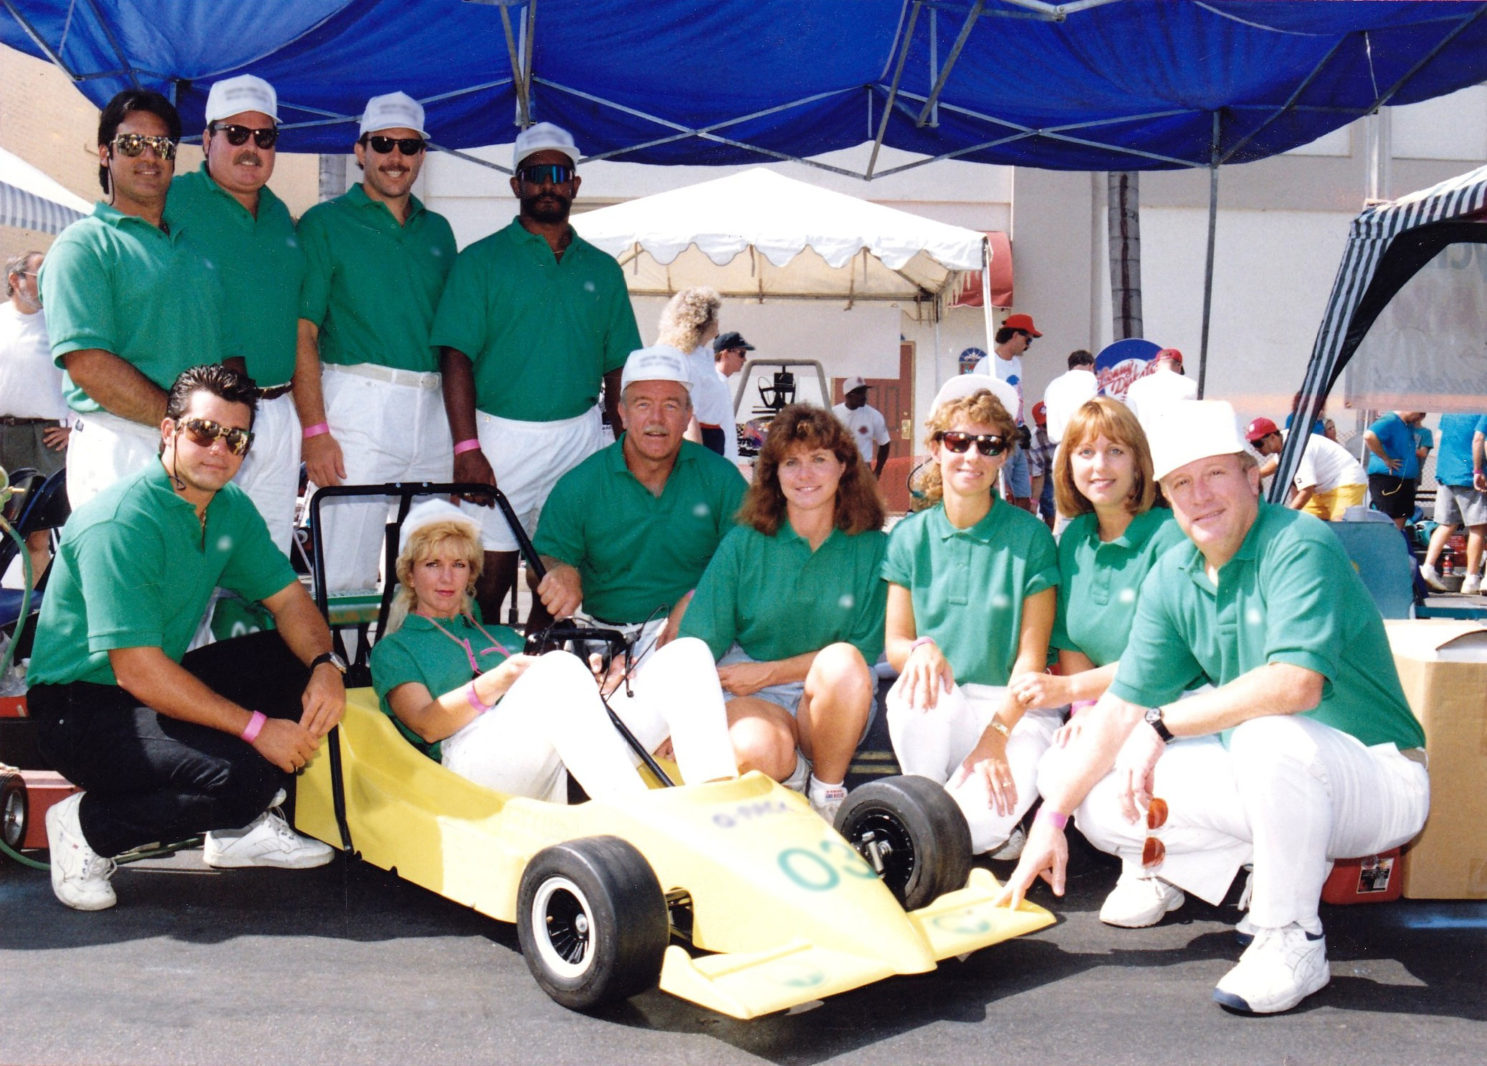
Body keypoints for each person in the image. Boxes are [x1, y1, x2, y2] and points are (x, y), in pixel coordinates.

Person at [998, 399, 1428, 1016]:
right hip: (1284, 777)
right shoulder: (1174, 570)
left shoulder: (1298, 542)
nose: (1199, 495)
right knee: (1091, 790)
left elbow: (1296, 686)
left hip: (1380, 776)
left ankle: (1291, 937)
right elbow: (1121, 706)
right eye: (1180, 483)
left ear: (1253, 477)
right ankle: (1254, 869)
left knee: (1265, 734)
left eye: (1216, 474)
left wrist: (1163, 724)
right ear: (1165, 497)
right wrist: (1051, 822)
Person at [28, 365, 348, 911]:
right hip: (78, 708)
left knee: (291, 662)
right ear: (169, 431)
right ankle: (86, 827)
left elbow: (290, 601)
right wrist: (258, 730)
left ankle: (234, 834)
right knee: (243, 776)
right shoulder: (122, 523)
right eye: (203, 431)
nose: (218, 449)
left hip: (146, 687)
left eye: (235, 438)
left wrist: (326, 665)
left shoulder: (227, 509)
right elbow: (137, 671)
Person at [370, 500, 736, 802]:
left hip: (552, 763)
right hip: (468, 765)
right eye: (433, 565)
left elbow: (557, 706)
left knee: (686, 655)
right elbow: (426, 725)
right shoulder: (397, 648)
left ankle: (717, 802)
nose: (447, 578)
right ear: (410, 574)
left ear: (471, 573)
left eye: (458, 565)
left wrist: (598, 687)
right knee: (557, 668)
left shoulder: (500, 636)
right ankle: (639, 817)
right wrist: (504, 678)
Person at [432, 121, 639, 623]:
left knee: (561, 575)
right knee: (488, 578)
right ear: (516, 185)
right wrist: (467, 449)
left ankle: (542, 671)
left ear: (574, 184)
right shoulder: (479, 261)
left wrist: (623, 445)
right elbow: (454, 356)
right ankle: (480, 680)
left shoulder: (603, 269)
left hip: (579, 437)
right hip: (500, 438)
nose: (547, 183)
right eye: (535, 173)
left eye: (558, 173)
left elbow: (620, 368)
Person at [680, 404, 887, 821]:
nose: (804, 475)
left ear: (844, 466)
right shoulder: (744, 543)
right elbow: (698, 643)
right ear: (773, 474)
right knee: (757, 751)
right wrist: (676, 721)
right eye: (791, 462)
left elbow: (862, 654)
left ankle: (827, 793)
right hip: (751, 689)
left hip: (831, 695)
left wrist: (772, 672)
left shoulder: (874, 549)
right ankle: (789, 784)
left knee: (844, 661)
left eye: (818, 460)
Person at [883, 376, 1060, 855]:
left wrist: (995, 737)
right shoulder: (909, 537)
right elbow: (897, 643)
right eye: (958, 441)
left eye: (989, 445)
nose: (972, 456)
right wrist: (921, 650)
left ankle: (940, 819)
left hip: (1016, 712)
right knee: (915, 688)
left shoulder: (1031, 538)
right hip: (945, 704)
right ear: (936, 448)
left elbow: (1030, 661)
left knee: (974, 832)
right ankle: (927, 801)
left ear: (1004, 455)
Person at [294, 91, 457, 593]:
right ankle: (340, 671)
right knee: (346, 569)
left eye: (408, 147)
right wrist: (315, 430)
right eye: (383, 144)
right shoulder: (325, 223)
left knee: (435, 560)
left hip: (432, 411)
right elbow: (303, 332)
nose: (395, 157)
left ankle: (418, 668)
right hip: (357, 403)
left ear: (422, 156)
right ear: (360, 150)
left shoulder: (439, 231)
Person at [38, 89, 227, 509]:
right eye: (131, 144)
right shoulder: (83, 246)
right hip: (120, 446)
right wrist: (182, 423)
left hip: (194, 448)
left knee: (190, 576)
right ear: (106, 153)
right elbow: (89, 364)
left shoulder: (193, 251)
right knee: (127, 575)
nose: (148, 156)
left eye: (161, 145)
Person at [165, 74, 305, 552]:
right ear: (207, 140)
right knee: (195, 555)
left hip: (280, 411)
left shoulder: (280, 215)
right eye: (236, 134)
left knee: (266, 559)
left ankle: (253, 633)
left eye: (264, 137)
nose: (251, 147)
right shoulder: (173, 200)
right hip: (210, 415)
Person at [533, 346, 746, 647]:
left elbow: (751, 560)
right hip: (605, 638)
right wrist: (558, 570)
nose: (656, 419)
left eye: (671, 406)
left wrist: (698, 599)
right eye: (643, 404)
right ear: (621, 412)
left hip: (696, 633)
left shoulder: (722, 479)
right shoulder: (581, 484)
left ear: (688, 416)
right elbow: (543, 557)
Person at [1009, 397, 1184, 729]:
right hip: (1099, 710)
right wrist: (1085, 707)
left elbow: (1164, 655)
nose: (1100, 466)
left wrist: (1071, 689)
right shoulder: (1074, 539)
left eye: (1115, 451)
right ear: (1069, 464)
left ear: (1138, 463)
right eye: (1086, 452)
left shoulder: (1171, 537)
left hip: (1166, 712)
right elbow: (1070, 640)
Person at [1, 250, 69, 581]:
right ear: (15, 280)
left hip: (45, 439)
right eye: (40, 276)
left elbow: (85, 380)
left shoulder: (61, 325)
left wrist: (76, 429)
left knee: (37, 534)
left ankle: (35, 621)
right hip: (2, 437)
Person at [972, 313, 1041, 510]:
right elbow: (978, 404)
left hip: (1016, 434)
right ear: (1016, 335)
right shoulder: (987, 365)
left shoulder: (1016, 364)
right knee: (1003, 491)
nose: (1028, 345)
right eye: (1028, 340)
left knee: (1022, 495)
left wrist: (1022, 424)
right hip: (999, 435)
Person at [656, 287, 733, 457]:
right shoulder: (689, 361)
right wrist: (696, 464)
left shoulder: (701, 357)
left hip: (712, 439)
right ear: (705, 321)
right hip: (702, 442)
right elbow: (689, 418)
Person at [1246, 416, 1367, 521]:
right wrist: (1254, 475)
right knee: (1304, 525)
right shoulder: (1285, 439)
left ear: (1272, 437)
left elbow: (1307, 490)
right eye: (1253, 444)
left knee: (1341, 527)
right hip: (1322, 489)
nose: (1256, 449)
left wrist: (1284, 517)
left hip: (1346, 482)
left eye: (1258, 443)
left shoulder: (1298, 449)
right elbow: (1277, 462)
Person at [1418, 413, 1487, 595]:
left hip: (1446, 472)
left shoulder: (1450, 412)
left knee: (1446, 524)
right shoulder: (1482, 411)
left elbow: (1439, 437)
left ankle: (1428, 566)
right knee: (1478, 526)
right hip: (1469, 475)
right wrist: (1478, 469)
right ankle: (1472, 577)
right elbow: (1479, 439)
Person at [1363, 410, 1426, 530]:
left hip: (1405, 479)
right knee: (1388, 516)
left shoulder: (1408, 425)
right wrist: (1386, 458)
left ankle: (1396, 541)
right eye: (1420, 414)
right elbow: (1369, 436)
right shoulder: (1390, 420)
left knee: (1402, 515)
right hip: (1388, 479)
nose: (1419, 419)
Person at [1122, 348, 1196, 430]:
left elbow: (1129, 421)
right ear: (1179, 366)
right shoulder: (1192, 385)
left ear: (1156, 366)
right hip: (1179, 440)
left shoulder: (1135, 386)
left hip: (1146, 440)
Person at [832, 376, 891, 478]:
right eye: (859, 393)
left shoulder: (874, 415)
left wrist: (878, 470)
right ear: (848, 395)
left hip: (862, 467)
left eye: (864, 392)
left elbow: (885, 443)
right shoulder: (833, 414)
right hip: (838, 466)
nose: (864, 396)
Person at [1042, 348, 1098, 449]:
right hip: (1085, 446)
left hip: (1060, 448)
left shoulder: (1053, 384)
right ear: (1091, 366)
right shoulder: (1092, 381)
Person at [712, 330, 753, 465]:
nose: (744, 359)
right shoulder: (714, 383)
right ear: (725, 354)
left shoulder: (720, 382)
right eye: (741, 354)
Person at [1026, 401, 1057, 527]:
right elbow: (1039, 474)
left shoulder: (1070, 428)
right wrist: (1034, 502)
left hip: (1073, 469)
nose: (1049, 428)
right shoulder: (1034, 440)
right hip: (1050, 473)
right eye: (1045, 425)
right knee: (1048, 498)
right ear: (1039, 426)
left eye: (1051, 422)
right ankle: (1053, 530)